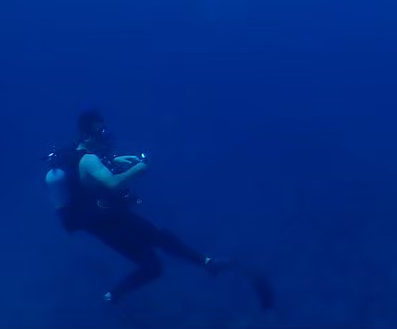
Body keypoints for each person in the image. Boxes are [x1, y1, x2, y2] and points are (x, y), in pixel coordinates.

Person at [45, 110, 272, 308]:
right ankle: (207, 264)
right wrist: (142, 168)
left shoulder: (80, 156)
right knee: (157, 250)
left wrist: (119, 159)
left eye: (105, 130)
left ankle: (112, 296)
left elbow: (96, 173)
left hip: (105, 222)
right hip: (110, 223)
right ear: (87, 134)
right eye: (101, 131)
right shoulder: (89, 160)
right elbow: (113, 182)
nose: (106, 135)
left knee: (156, 254)